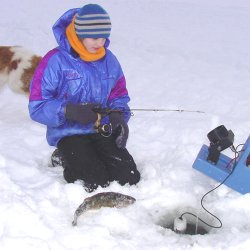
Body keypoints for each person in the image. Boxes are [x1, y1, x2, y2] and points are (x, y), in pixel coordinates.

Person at [28, 4, 140, 192]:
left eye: (104, 37)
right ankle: (63, 156)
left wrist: (117, 115)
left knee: (128, 177)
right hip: (68, 132)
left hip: (101, 129)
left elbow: (119, 94)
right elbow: (37, 106)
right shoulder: (55, 61)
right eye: (95, 37)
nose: (100, 43)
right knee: (94, 181)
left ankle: (92, 154)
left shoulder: (109, 60)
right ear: (80, 33)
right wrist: (68, 110)